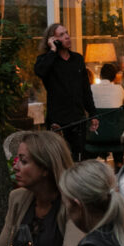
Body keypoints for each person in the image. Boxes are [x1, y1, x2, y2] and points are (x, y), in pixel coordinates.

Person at [0, 131, 84, 246]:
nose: (15, 167)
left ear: (45, 169)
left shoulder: (73, 201)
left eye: (23, 161)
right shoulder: (18, 198)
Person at [34, 23, 98, 161]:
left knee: (78, 159)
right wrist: (52, 50)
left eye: (67, 33)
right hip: (58, 120)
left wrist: (93, 114)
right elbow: (40, 71)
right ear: (53, 40)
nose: (67, 37)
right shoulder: (47, 60)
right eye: (61, 35)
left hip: (78, 118)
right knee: (59, 160)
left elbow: (85, 89)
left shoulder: (78, 59)